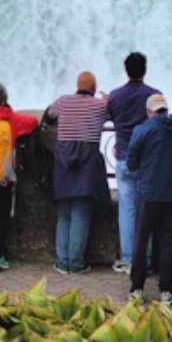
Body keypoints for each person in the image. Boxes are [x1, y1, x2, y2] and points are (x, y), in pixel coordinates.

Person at [127, 94, 172, 304]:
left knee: (141, 240)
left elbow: (131, 163)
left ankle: (137, 288)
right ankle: (166, 290)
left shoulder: (142, 130)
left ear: (149, 111)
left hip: (147, 193)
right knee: (168, 242)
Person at [0, 83, 40, 272]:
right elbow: (33, 123)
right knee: (1, 218)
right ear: (5, 99)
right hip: (3, 179)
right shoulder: (12, 120)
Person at [47, 71, 109, 275]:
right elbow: (114, 115)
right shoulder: (100, 106)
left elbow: (49, 115)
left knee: (64, 214)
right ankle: (75, 263)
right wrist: (107, 100)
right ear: (93, 87)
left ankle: (61, 261)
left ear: (77, 84)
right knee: (81, 214)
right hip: (87, 162)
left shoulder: (63, 101)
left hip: (64, 161)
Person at [108, 52, 161, 274]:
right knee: (145, 210)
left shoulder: (115, 96)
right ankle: (145, 259)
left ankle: (129, 259)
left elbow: (108, 115)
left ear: (126, 69)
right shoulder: (154, 96)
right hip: (147, 162)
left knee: (126, 211)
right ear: (145, 69)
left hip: (123, 159)